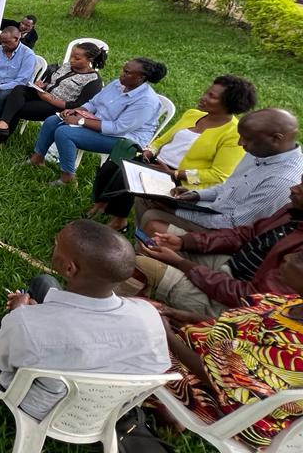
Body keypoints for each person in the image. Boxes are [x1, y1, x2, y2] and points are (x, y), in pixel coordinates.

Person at [0, 220, 170, 419]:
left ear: (70, 267)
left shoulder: (28, 325)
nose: (54, 245)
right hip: (99, 410)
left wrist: (20, 311)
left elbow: (3, 358)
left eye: (56, 244)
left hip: (38, 402)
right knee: (44, 281)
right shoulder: (147, 315)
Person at [161, 251, 303, 449]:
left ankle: (171, 413)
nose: (287, 256)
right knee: (143, 314)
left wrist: (165, 335)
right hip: (207, 359)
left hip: (234, 411)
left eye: (300, 258)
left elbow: (217, 379)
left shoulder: (296, 349)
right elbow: (242, 327)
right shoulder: (296, 303)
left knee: (138, 343)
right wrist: (190, 317)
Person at [90, 76, 257, 230]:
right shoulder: (193, 114)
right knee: (112, 165)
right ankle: (101, 203)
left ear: (230, 104)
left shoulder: (233, 133)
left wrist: (175, 174)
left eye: (211, 96)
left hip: (179, 178)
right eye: (207, 92)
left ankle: (120, 220)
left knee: (125, 175)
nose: (203, 97)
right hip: (156, 162)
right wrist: (149, 151)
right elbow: (162, 140)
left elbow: (218, 175)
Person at [132, 176, 303, 318]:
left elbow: (249, 298)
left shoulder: (297, 261)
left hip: (231, 306)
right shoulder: (294, 212)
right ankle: (142, 296)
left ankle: (136, 316)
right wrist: (185, 241)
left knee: (140, 265)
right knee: (156, 234)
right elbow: (245, 234)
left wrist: (181, 264)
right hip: (231, 266)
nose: (294, 188)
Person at [137, 108, 303, 236]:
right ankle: (142, 246)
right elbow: (228, 186)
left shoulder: (282, 180)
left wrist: (176, 181)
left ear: (276, 138)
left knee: (153, 214)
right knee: (145, 197)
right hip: (212, 206)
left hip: (226, 230)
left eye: (247, 139)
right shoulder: (260, 150)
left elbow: (235, 223)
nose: (240, 143)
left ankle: (145, 262)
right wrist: (196, 195)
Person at [27, 57, 167, 186]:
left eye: (127, 72)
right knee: (53, 120)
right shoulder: (117, 84)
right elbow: (94, 103)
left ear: (141, 78)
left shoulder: (146, 101)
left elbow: (118, 128)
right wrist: (77, 110)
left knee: (65, 133)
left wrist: (80, 121)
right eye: (123, 70)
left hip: (125, 140)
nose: (122, 74)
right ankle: (37, 159)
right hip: (100, 123)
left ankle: (68, 177)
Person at [0, 42, 107, 145]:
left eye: (77, 58)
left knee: (19, 107)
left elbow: (80, 106)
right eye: (71, 56)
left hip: (57, 107)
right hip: (43, 94)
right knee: (18, 89)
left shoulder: (93, 80)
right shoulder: (67, 66)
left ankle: (1, 140)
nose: (71, 60)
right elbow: (53, 80)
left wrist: (50, 99)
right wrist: (43, 85)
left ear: (89, 60)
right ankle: (3, 123)